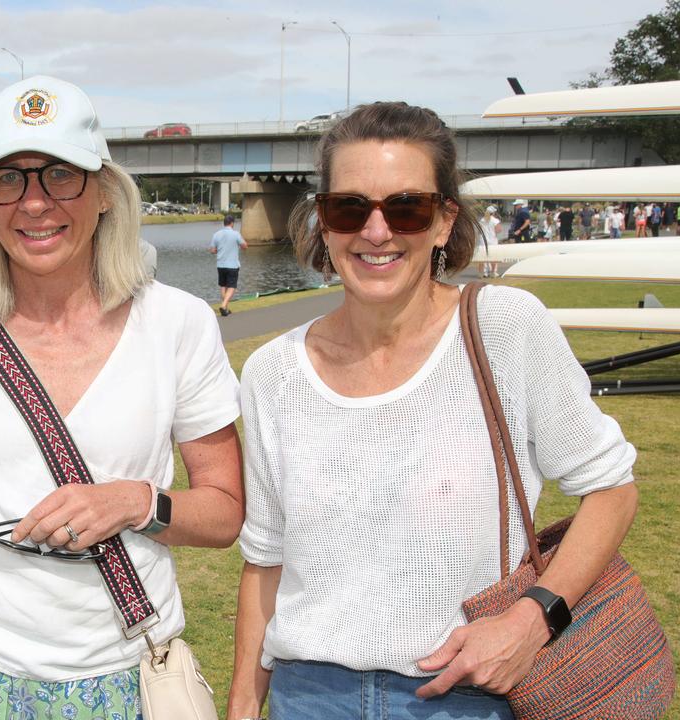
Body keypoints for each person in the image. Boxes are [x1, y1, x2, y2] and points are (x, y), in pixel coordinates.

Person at [228, 102, 639, 720]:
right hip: (306, 697)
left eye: (406, 207)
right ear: (323, 223)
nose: (376, 231)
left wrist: (533, 619)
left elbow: (610, 488)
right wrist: (241, 709)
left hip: (466, 696)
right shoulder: (271, 372)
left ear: (445, 220)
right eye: (349, 208)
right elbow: (265, 560)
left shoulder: (506, 328)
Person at [0, 76, 244, 719]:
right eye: (8, 179)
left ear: (105, 194)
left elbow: (225, 514)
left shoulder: (179, 323)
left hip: (125, 677)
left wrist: (136, 502)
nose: (34, 203)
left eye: (60, 175)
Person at [211, 213, 249, 316]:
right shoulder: (236, 234)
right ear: (232, 223)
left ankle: (226, 308)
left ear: (224, 223)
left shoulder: (216, 234)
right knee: (232, 286)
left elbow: (213, 250)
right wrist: (242, 246)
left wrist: (219, 249)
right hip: (232, 265)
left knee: (223, 286)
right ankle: (223, 305)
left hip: (220, 264)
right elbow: (245, 246)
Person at [478, 205, 501, 277]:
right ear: (493, 213)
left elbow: (479, 231)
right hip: (492, 241)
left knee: (482, 257)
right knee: (494, 256)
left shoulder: (482, 220)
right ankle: (493, 272)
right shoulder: (495, 221)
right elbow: (498, 230)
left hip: (483, 241)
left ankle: (482, 273)